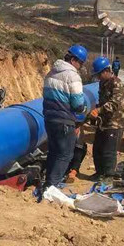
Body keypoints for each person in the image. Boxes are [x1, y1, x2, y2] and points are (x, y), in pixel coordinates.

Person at [42, 44, 88, 188]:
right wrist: (84, 109)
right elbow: (78, 104)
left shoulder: (51, 73)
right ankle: (52, 186)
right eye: (80, 63)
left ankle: (48, 182)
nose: (80, 66)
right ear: (73, 60)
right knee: (65, 154)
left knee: (53, 152)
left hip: (49, 118)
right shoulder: (72, 76)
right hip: (64, 120)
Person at [90, 56, 124, 180]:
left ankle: (109, 175)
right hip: (103, 122)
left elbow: (114, 104)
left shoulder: (117, 84)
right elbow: (102, 101)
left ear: (106, 71)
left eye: (99, 74)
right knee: (97, 149)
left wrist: (98, 110)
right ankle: (100, 173)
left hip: (114, 123)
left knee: (108, 151)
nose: (98, 77)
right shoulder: (103, 83)